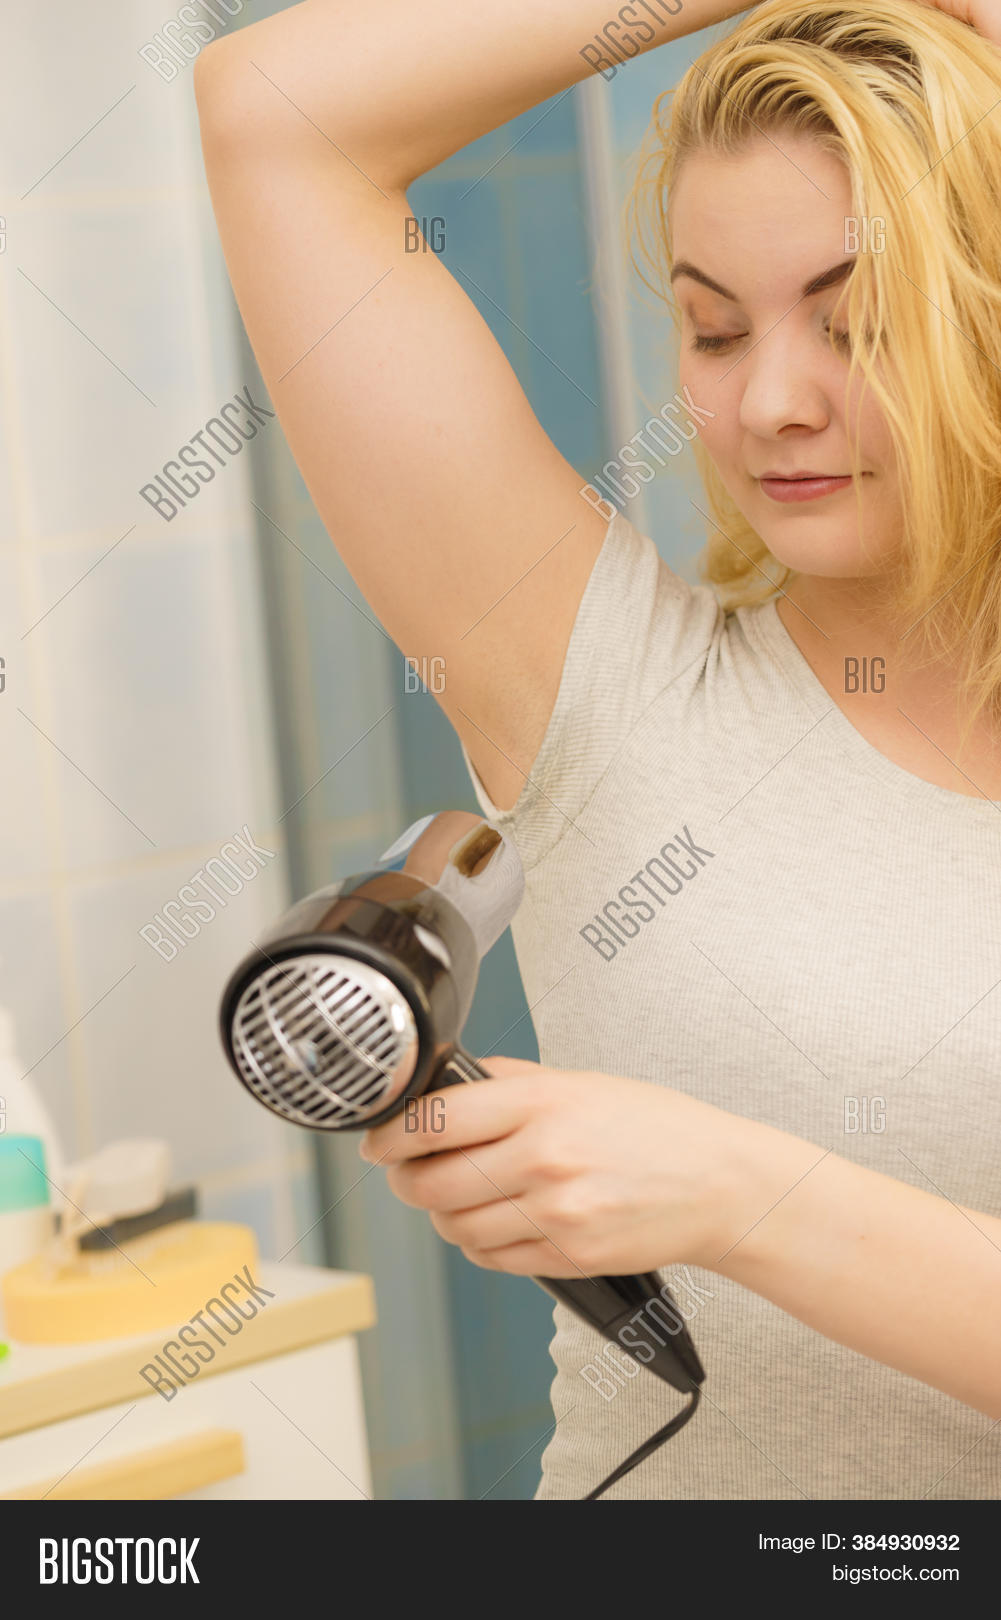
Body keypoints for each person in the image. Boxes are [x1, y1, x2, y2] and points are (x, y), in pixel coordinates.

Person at [195, 0, 1001, 1499]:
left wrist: (740, 1198)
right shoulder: (606, 691)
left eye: (857, 318)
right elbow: (271, 113)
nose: (767, 400)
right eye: (710, 326)